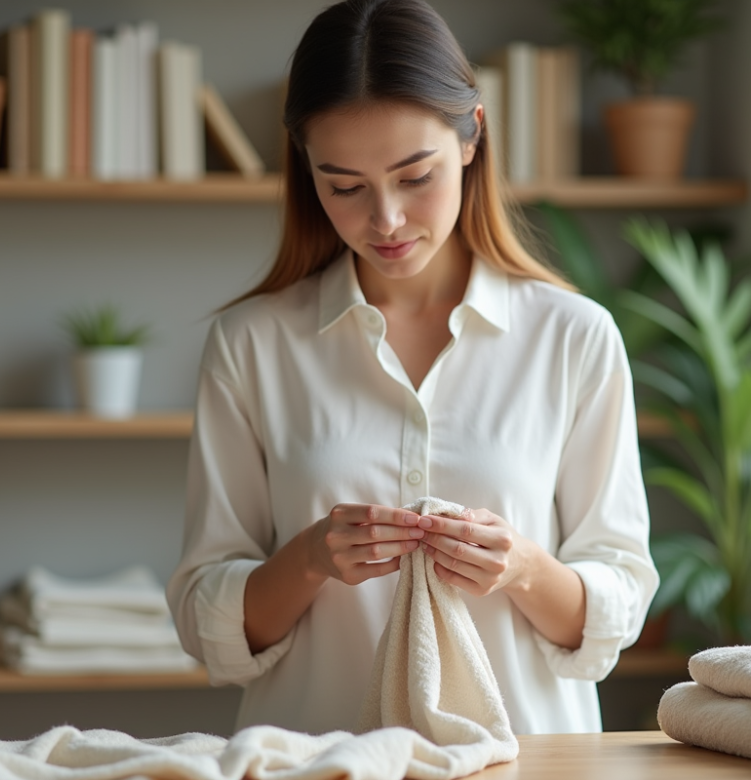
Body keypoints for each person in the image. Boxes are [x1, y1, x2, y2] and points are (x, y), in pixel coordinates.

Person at [166, 0, 658, 736]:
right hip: (318, 759)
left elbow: (615, 605)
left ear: (471, 139)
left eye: (414, 175)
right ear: (307, 172)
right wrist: (309, 559)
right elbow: (208, 621)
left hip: (524, 760)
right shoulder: (252, 344)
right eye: (345, 186)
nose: (386, 220)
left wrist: (523, 566)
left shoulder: (574, 337)